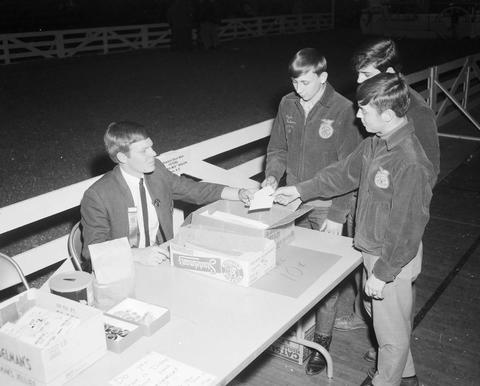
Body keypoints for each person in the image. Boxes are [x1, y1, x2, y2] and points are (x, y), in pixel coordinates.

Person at [274, 73, 435, 386]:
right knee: (382, 319)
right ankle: (407, 376)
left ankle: (385, 381)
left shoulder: (410, 162)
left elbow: (408, 228)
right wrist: (299, 191)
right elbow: (341, 174)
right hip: (373, 249)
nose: (357, 114)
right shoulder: (376, 143)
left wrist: (384, 272)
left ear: (387, 116)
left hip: (391, 257)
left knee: (390, 335)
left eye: (365, 110)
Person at [334, 37, 440, 365]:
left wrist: (388, 204)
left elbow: (425, 173)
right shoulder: (372, 105)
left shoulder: (415, 112)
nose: (358, 82)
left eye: (365, 74)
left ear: (389, 73)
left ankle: (394, 359)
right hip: (365, 208)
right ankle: (388, 348)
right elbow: (352, 164)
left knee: (390, 300)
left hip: (389, 220)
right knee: (374, 295)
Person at [262, 47, 363, 375]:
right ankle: (289, 329)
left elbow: (350, 169)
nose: (297, 89)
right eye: (294, 81)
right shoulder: (287, 104)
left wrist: (338, 213)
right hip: (292, 201)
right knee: (286, 264)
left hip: (326, 206)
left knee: (326, 277)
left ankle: (323, 338)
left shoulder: (345, 110)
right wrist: (271, 176)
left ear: (323, 77)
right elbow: (277, 147)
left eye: (305, 82)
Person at [80, 121, 251, 270]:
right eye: (144, 151)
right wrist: (137, 255)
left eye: (151, 146)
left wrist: (238, 193)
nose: (153, 153)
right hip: (124, 266)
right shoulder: (97, 195)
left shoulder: (157, 172)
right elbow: (93, 250)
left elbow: (193, 190)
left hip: (162, 258)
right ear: (122, 157)